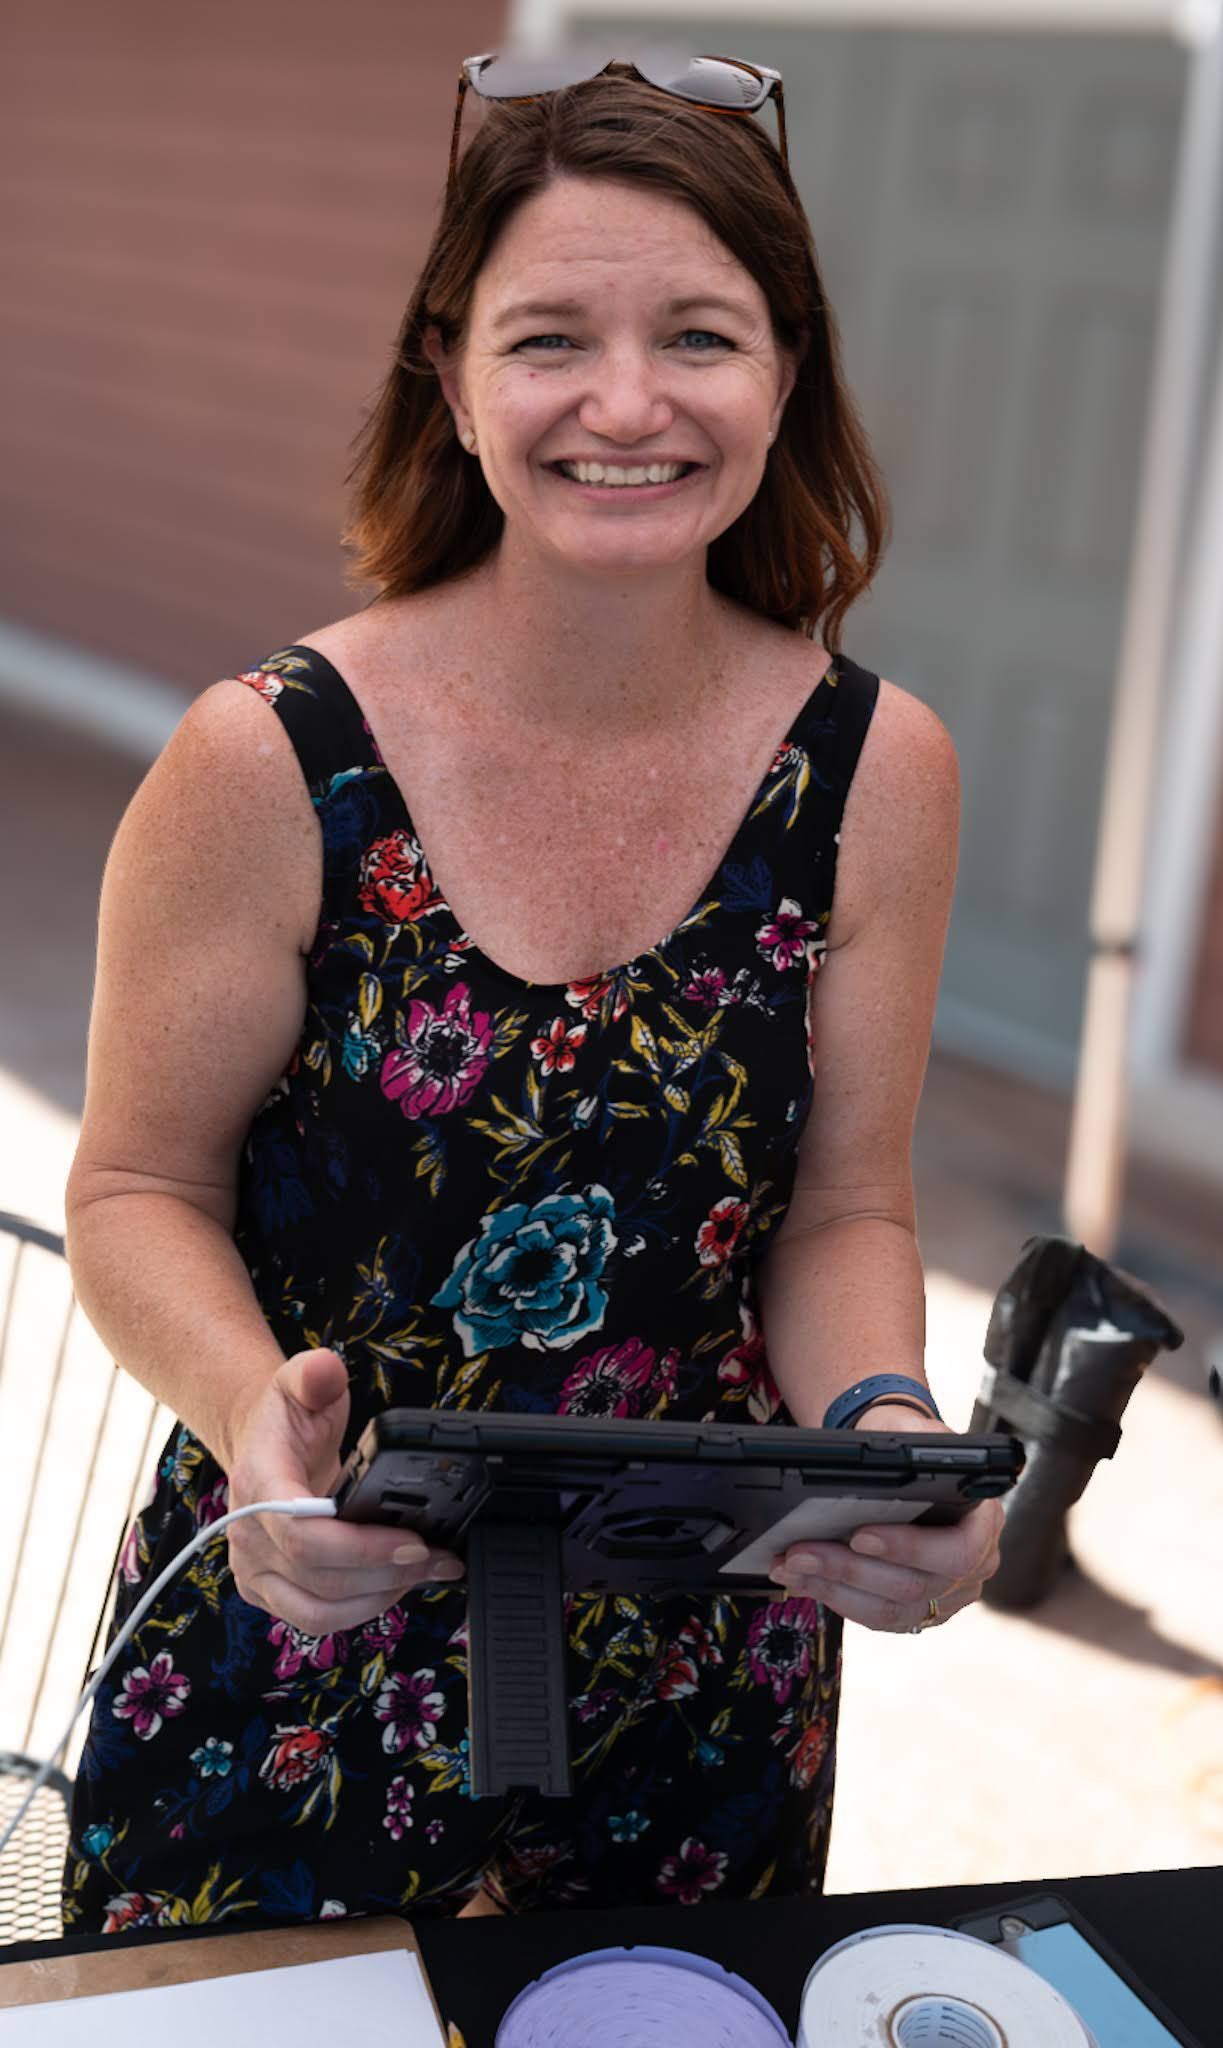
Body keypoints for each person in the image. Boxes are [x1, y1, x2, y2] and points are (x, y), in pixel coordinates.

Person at [62, 49, 1002, 1934]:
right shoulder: (266, 763)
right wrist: (256, 1420)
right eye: (551, 336)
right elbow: (132, 1192)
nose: (628, 403)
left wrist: (892, 1434)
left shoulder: (877, 772)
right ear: (451, 375)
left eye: (703, 338)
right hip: (298, 1656)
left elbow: (845, 1207)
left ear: (789, 371)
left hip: (700, 1697)